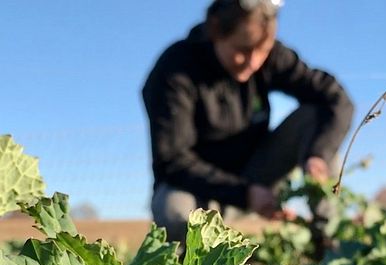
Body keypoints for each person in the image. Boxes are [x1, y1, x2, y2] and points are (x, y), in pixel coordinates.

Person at [142, 0, 354, 245]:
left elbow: (335, 98)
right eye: (242, 50)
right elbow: (173, 159)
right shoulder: (175, 70)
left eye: (262, 51)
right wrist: (244, 193)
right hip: (198, 187)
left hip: (258, 173)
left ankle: (328, 246)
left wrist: (317, 155)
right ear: (215, 31)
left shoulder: (270, 56)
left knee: (321, 132)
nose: (253, 62)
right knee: (174, 213)